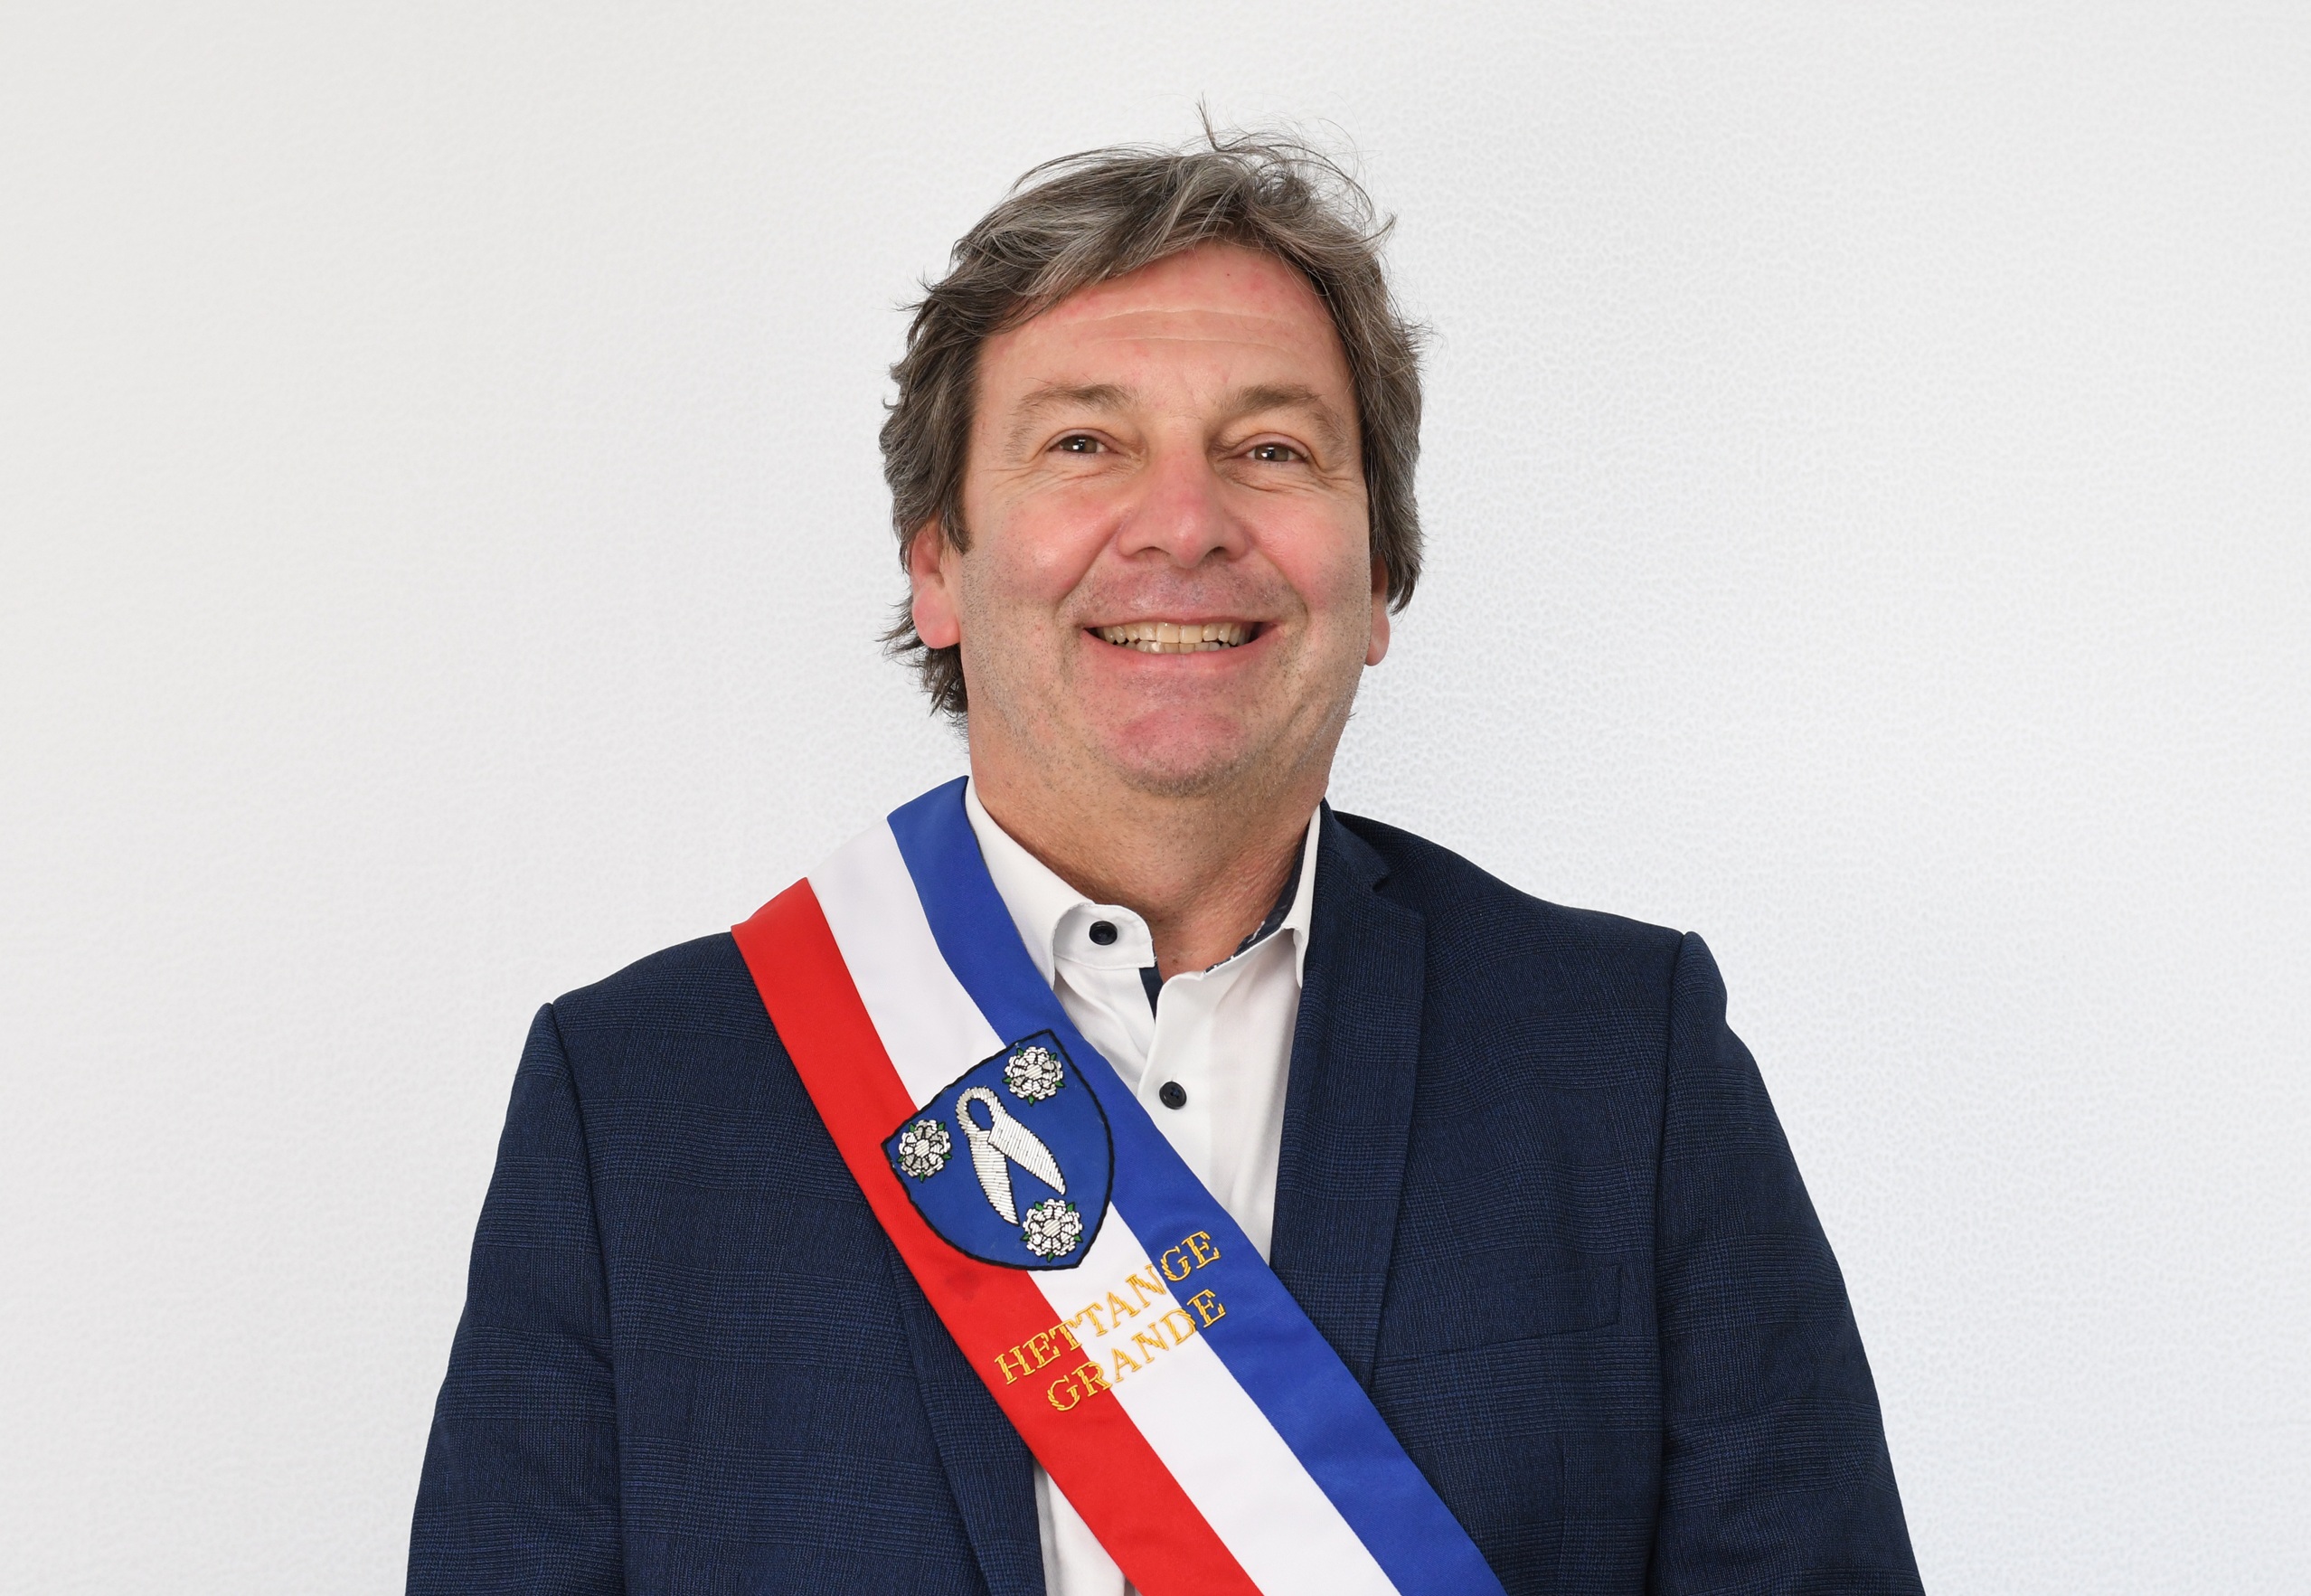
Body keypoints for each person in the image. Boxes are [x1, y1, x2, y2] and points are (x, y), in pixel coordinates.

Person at [408, 131, 1922, 1596]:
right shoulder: (637, 1103)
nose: (1186, 526)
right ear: (938, 564)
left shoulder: (1626, 1062)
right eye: (1085, 443)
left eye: (1272, 450)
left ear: (1379, 573)